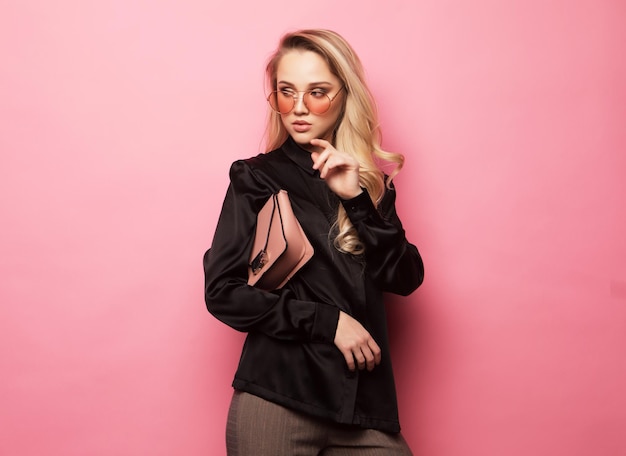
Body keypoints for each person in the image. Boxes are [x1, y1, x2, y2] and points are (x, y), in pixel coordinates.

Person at [203, 29, 424, 455]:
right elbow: (223, 293)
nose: (299, 108)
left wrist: (358, 200)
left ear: (344, 95)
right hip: (278, 400)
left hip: (363, 408)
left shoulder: (369, 184)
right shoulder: (256, 178)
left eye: (317, 92)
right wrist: (329, 322)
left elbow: (404, 277)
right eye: (286, 93)